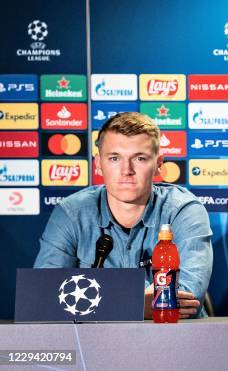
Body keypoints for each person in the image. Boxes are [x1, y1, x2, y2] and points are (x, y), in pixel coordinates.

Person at [35, 112, 213, 319]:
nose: (126, 170)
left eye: (139, 158)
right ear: (98, 164)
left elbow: (187, 299)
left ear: (159, 164)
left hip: (176, 340)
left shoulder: (184, 210)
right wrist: (137, 303)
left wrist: (95, 298)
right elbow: (44, 295)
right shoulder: (71, 213)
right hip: (95, 344)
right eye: (114, 158)